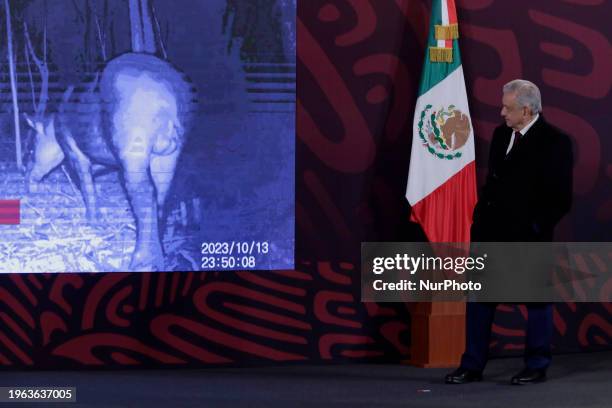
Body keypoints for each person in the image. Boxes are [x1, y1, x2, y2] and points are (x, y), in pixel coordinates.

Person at [445, 79, 573, 385]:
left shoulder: (555, 141)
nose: (502, 112)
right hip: (491, 235)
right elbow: (494, 184)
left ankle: (536, 365)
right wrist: (479, 221)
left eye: (508, 107)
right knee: (479, 300)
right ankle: (472, 365)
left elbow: (560, 198)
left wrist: (534, 227)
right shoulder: (503, 135)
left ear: (527, 110)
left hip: (528, 239)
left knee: (536, 302)